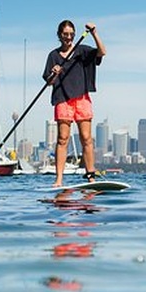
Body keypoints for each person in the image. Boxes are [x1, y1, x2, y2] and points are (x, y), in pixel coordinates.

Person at [43, 19, 107, 187]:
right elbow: (49, 82)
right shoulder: (53, 56)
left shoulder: (82, 51)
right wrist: (54, 72)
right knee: (62, 139)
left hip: (81, 99)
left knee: (86, 138)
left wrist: (94, 33)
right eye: (65, 34)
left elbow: (102, 52)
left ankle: (90, 176)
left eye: (71, 34)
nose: (69, 37)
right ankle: (58, 180)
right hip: (62, 99)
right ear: (59, 35)